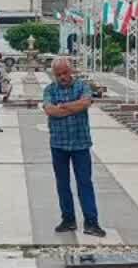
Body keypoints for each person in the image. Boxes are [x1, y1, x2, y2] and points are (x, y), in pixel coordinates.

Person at [42, 56, 103, 236]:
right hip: (58, 144)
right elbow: (49, 109)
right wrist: (73, 107)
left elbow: (85, 103)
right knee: (62, 184)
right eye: (58, 74)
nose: (62, 77)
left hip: (80, 144)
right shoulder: (49, 89)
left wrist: (62, 107)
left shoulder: (82, 86)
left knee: (85, 183)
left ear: (71, 71)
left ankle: (91, 222)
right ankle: (68, 219)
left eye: (65, 73)